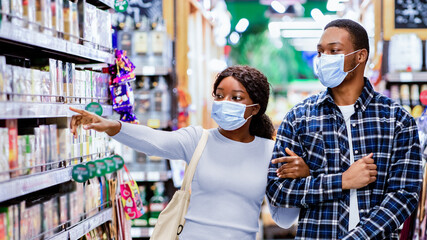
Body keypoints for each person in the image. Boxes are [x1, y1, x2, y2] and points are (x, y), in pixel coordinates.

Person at [70, 65, 307, 240]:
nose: (224, 102)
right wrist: (113, 126)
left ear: (254, 108)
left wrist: (298, 180)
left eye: (236, 98)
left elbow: (283, 219)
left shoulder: (270, 152)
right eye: (219, 95)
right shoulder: (198, 139)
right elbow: (154, 140)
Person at [266, 19, 423, 240]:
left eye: (334, 51)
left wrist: (357, 237)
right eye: (321, 52)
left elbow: (404, 195)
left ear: (360, 56)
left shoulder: (397, 120)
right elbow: (278, 191)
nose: (323, 59)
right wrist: (342, 180)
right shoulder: (298, 118)